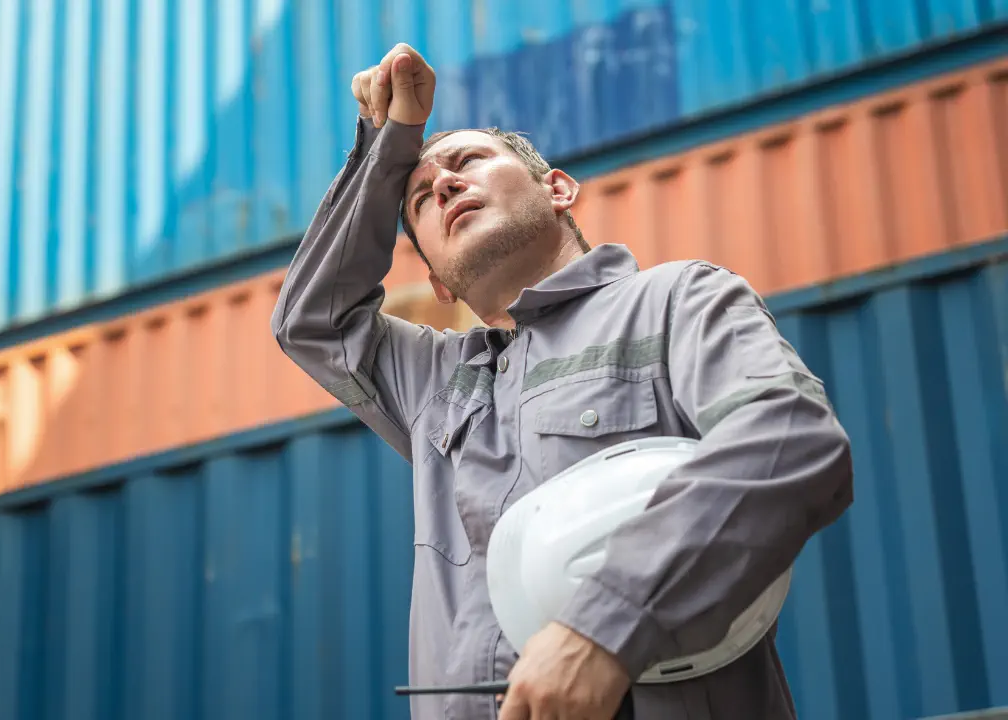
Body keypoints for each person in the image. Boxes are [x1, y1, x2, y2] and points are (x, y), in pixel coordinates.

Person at [270, 43, 854, 720]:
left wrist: (603, 629)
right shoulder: (434, 382)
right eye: (423, 197)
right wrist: (387, 144)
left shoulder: (675, 301)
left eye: (467, 163)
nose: (446, 186)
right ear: (432, 276)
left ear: (558, 189)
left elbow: (790, 436)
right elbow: (312, 322)